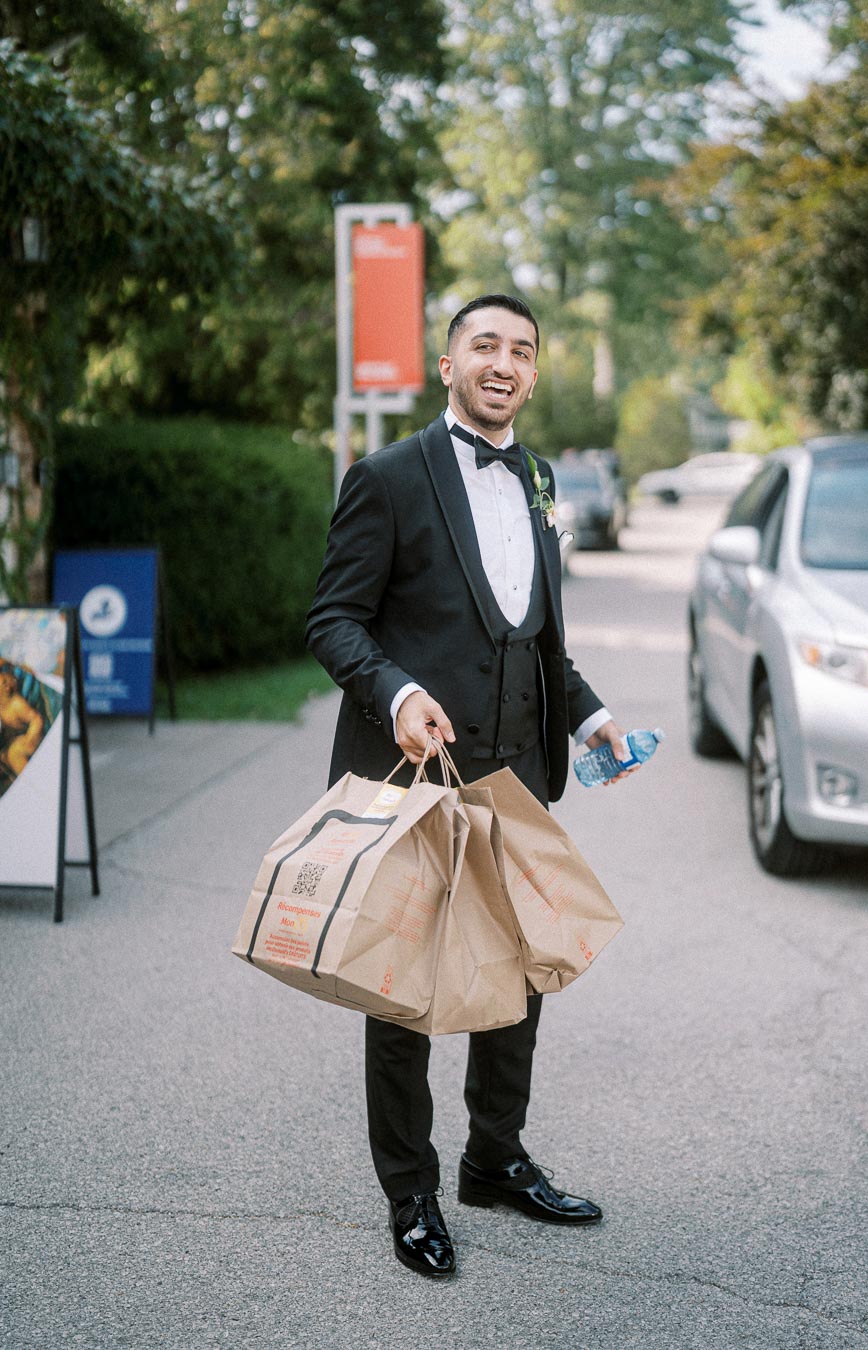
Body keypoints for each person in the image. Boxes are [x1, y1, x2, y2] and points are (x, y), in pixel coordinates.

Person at [305, 294, 634, 1278]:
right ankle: (410, 1191)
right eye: (485, 345)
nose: (504, 362)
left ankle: (496, 1157)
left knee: (523, 976)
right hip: (412, 776)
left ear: (534, 374)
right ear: (446, 363)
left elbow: (534, 635)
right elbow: (333, 620)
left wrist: (588, 712)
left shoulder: (536, 477)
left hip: (518, 776)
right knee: (401, 990)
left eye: (522, 350)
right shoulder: (389, 477)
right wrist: (395, 689)